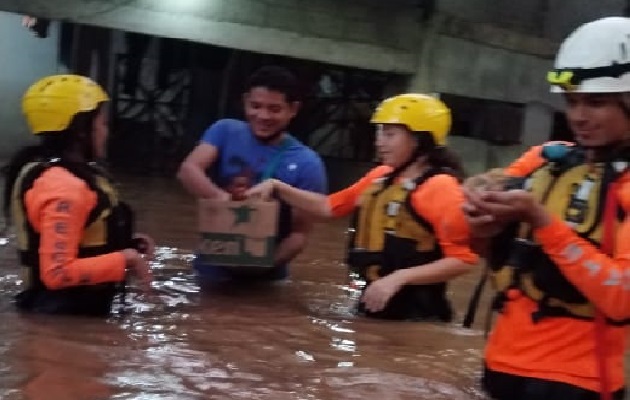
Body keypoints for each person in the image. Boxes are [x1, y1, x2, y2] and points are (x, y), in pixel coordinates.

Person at [462, 16, 630, 400]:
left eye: (596, 103)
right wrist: (478, 215)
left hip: (577, 382)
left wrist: (540, 220)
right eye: (572, 102)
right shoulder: (544, 160)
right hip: (501, 364)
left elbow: (621, 298)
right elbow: (465, 242)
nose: (578, 117)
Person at [246, 93, 479, 320]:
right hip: (376, 301)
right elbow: (329, 207)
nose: (379, 142)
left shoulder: (441, 187)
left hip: (417, 313)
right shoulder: (381, 176)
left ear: (420, 140)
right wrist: (278, 187)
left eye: (390, 135)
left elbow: (462, 260)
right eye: (379, 133)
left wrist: (399, 278)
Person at [3, 74, 153, 316]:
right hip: (60, 319)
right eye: (102, 124)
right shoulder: (65, 189)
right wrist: (124, 259)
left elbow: (78, 235)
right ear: (81, 131)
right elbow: (57, 273)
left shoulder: (57, 172)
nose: (106, 132)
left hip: (66, 312)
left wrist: (126, 242)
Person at [177, 65, 328, 282]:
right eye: (255, 106)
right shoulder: (224, 130)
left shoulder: (306, 163)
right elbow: (188, 170)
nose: (263, 116)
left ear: (293, 110)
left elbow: (299, 234)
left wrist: (260, 268)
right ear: (245, 101)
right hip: (211, 265)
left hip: (267, 274)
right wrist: (226, 202)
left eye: (274, 109)